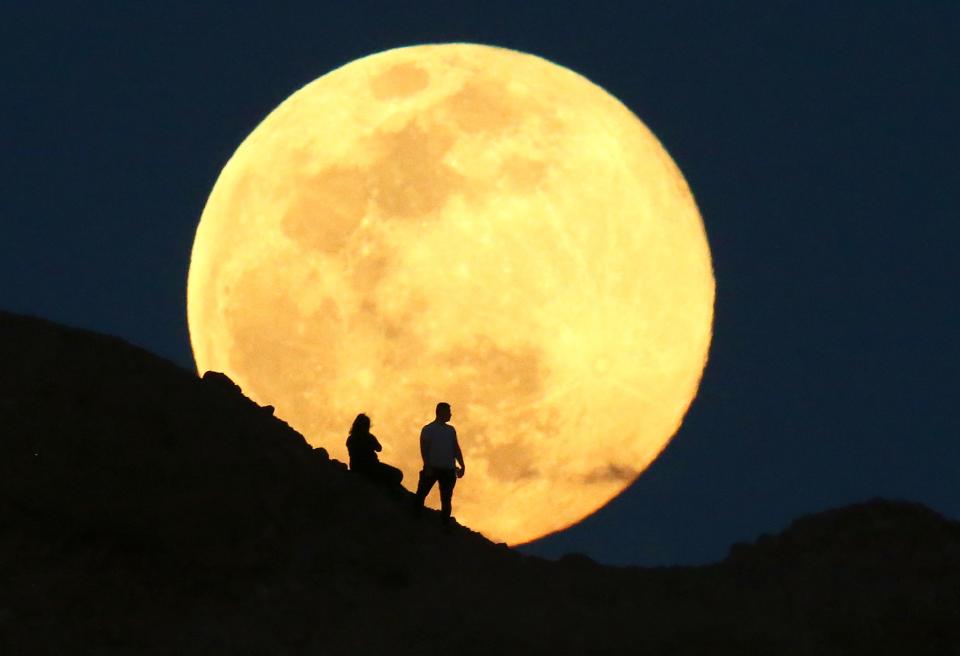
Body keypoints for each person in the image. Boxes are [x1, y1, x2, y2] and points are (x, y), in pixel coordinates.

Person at [414, 402, 465, 525]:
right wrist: (427, 466)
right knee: (421, 494)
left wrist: (462, 465)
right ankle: (415, 517)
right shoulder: (428, 429)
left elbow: (455, 448)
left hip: (448, 470)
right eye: (448, 412)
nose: (450, 415)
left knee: (446, 499)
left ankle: (445, 524)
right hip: (432, 468)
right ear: (441, 412)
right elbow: (424, 449)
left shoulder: (450, 430)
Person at [345, 413, 403, 488]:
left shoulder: (350, 439)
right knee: (398, 474)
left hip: (356, 467)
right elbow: (379, 448)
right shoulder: (368, 437)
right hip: (372, 467)